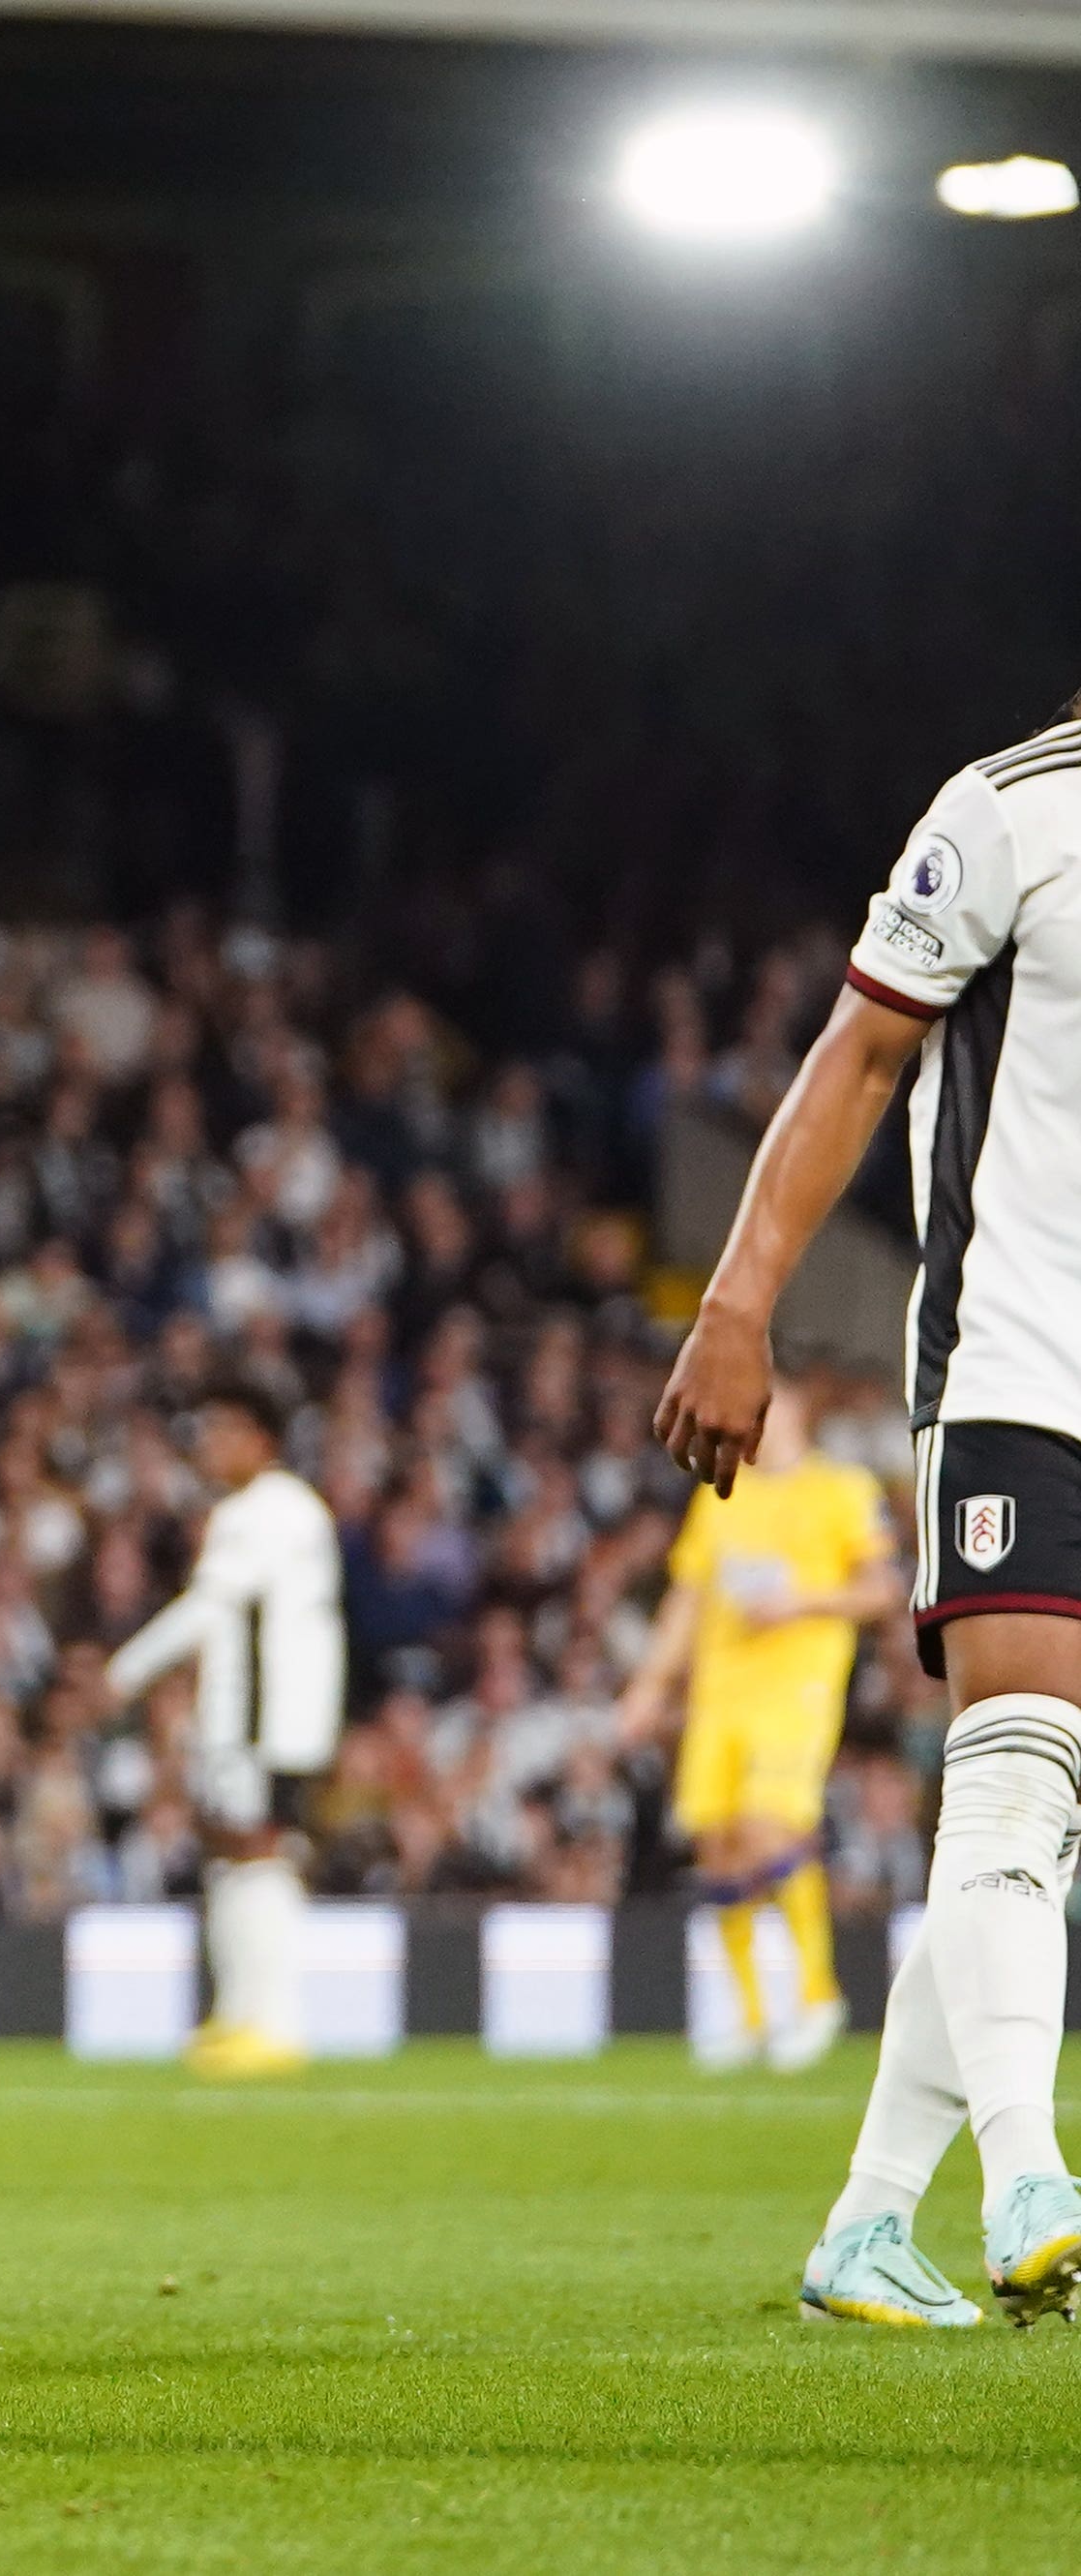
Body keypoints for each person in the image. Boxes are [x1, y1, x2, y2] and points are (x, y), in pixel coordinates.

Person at [668, 705, 1081, 2329]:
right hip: (1011, 1365)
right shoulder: (1002, 813)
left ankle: (864, 2224)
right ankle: (1031, 2174)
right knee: (1018, 1761)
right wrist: (734, 1303)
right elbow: (857, 1053)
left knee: (1031, 1826)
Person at [616, 1371, 896, 2074]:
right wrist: (649, 1687)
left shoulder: (842, 1489)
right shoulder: (721, 1495)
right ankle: (749, 2013)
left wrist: (800, 1602)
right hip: (720, 1694)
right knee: (718, 1843)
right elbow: (687, 1597)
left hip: (795, 1690)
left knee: (774, 1826)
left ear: (801, 1414)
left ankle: (816, 1996)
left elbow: (884, 1587)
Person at [104, 1385, 345, 2078]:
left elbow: (211, 1607)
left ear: (259, 1438)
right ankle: (242, 2014)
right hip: (274, 1716)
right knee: (237, 1857)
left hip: (263, 1719)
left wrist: (124, 1672)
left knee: (256, 1853)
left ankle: (272, 2021)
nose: (209, 1445)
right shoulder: (298, 1510)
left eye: (222, 1431)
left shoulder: (257, 1512)